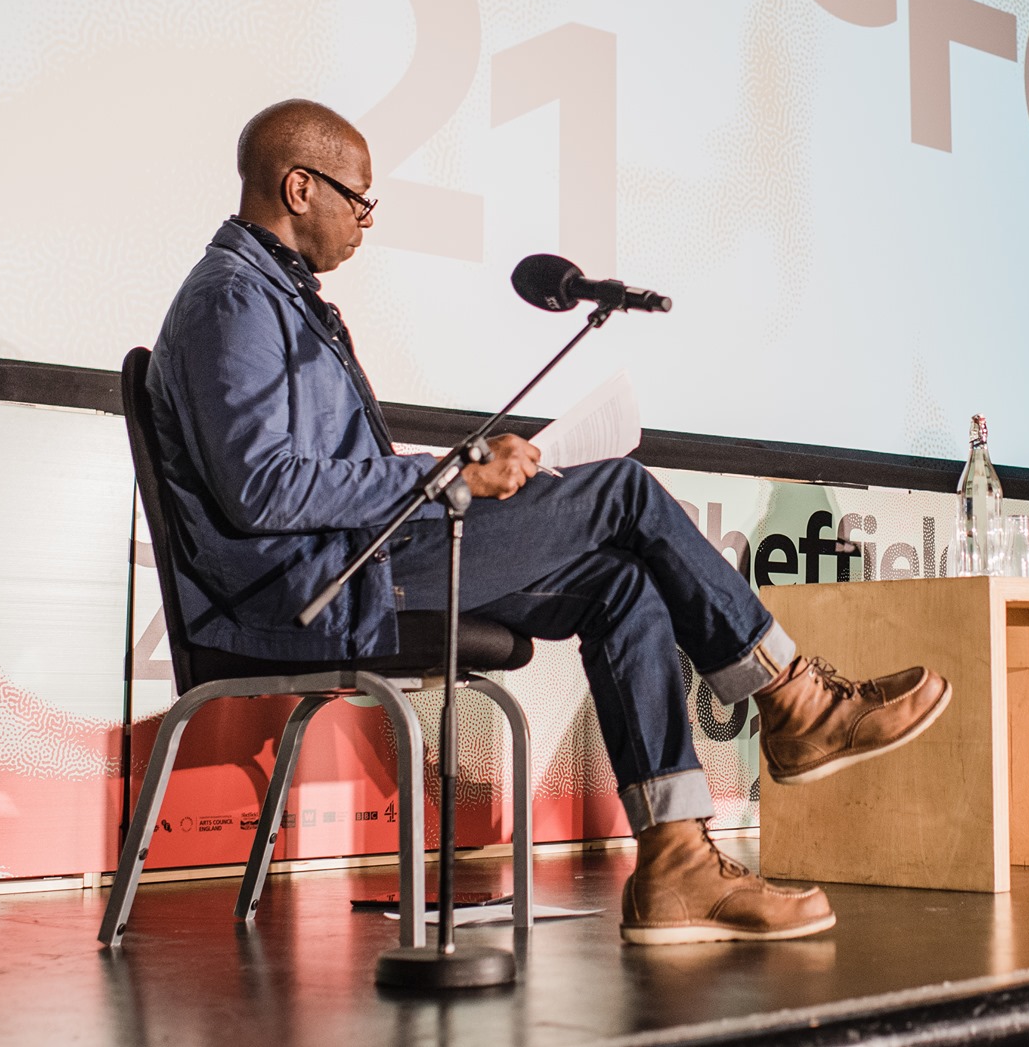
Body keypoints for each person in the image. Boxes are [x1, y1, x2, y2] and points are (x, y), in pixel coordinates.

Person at [147, 99, 951, 942]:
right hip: (309, 592)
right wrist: (451, 472)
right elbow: (262, 489)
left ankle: (677, 861)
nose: (366, 220)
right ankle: (793, 701)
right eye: (360, 198)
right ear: (300, 186)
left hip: (352, 565)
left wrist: (462, 470)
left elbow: (319, 475)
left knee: (621, 582)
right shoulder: (232, 302)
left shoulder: (282, 297)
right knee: (622, 492)